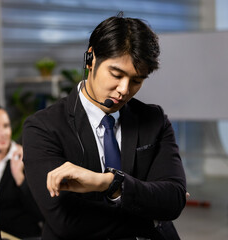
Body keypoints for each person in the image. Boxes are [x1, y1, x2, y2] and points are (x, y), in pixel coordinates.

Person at [22, 13, 186, 240]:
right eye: (116, 74)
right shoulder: (43, 128)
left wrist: (109, 184)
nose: (124, 90)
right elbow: (66, 222)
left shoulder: (154, 119)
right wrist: (151, 218)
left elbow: (173, 199)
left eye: (137, 80)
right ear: (90, 59)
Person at [0, 104, 43, 239]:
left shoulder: (25, 157)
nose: (3, 133)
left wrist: (20, 178)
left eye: (6, 126)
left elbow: (42, 212)